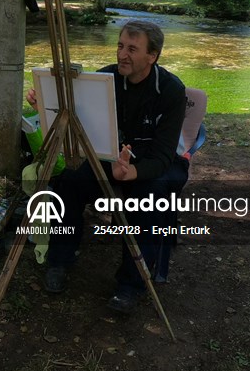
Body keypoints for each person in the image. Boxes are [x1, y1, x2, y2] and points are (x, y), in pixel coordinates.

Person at [26, 20, 188, 313]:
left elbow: (165, 156)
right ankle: (60, 258)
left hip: (154, 165)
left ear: (152, 56)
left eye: (132, 49)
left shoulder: (171, 90)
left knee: (148, 201)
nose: (122, 54)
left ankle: (131, 285)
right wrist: (46, 106)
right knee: (70, 181)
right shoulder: (104, 79)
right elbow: (74, 118)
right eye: (120, 46)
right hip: (109, 158)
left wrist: (131, 172)